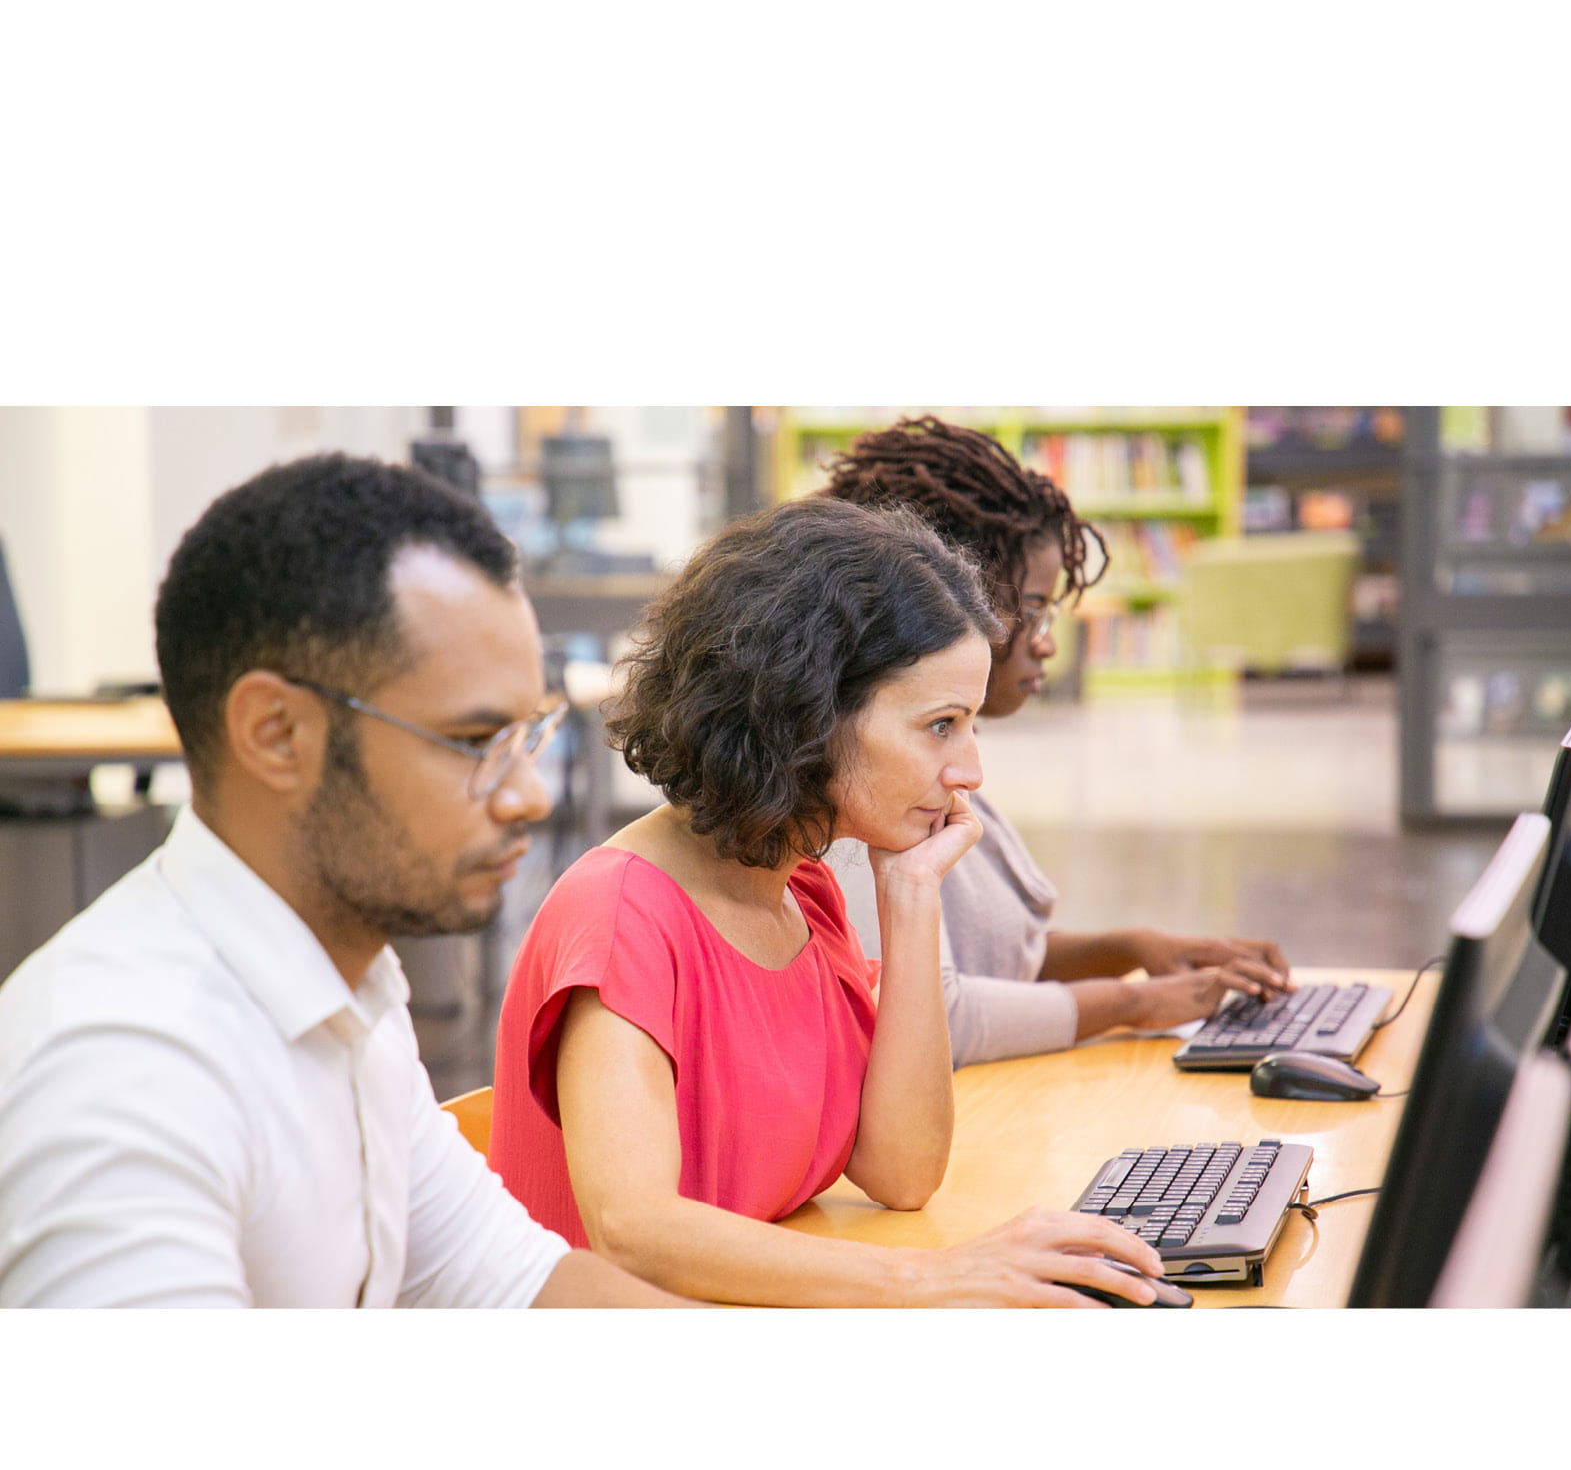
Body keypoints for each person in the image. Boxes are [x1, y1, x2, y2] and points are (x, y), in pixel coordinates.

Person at [0, 454, 683, 1309]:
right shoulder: (124, 1074)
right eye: (475, 742)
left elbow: (515, 1284)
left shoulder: (349, 992)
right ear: (276, 733)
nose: (530, 797)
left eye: (526, 735)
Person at [488, 499, 1165, 1307]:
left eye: (970, 726)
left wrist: (911, 894)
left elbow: (902, 1171)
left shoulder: (803, 894)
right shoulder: (620, 913)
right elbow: (634, 1231)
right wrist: (932, 1277)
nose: (970, 771)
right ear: (807, 714)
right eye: (941, 725)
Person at [821, 416, 1291, 1064]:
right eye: (1035, 609)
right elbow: (934, 1013)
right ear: (955, 598)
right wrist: (1132, 1002)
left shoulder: (943, 768)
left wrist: (1133, 949)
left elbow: (998, 962)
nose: (1045, 643)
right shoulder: (873, 793)